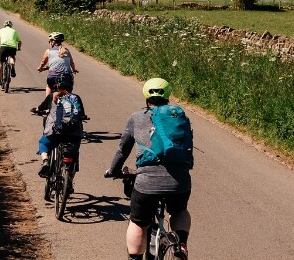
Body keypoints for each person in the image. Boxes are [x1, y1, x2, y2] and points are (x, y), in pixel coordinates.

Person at [105, 78, 193, 260]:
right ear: (168, 96)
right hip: (179, 181)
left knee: (138, 222)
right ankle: (181, 243)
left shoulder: (136, 118)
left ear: (146, 97)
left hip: (147, 183)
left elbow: (123, 149)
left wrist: (113, 170)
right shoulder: (181, 118)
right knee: (179, 211)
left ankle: (135, 258)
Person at [32, 76, 86, 179]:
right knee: (73, 155)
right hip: (74, 134)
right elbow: (81, 114)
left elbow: (41, 107)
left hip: (55, 132)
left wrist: (37, 110)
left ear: (57, 85)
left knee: (43, 143)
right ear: (71, 85)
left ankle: (45, 161)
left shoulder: (52, 96)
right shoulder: (76, 98)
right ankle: (69, 181)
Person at [35, 31, 78, 110]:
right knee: (68, 90)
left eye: (49, 41)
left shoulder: (49, 51)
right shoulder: (67, 51)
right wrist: (74, 70)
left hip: (53, 77)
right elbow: (72, 63)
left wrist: (40, 68)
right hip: (67, 77)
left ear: (52, 42)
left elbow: (43, 62)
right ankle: (70, 106)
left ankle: (47, 105)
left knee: (49, 86)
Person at [0, 20, 21, 85]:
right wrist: (19, 48)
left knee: (0, 63)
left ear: (4, 25)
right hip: (12, 47)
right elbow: (19, 41)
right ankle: (12, 66)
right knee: (12, 57)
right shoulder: (14, 31)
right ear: (11, 25)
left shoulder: (1, 30)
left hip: (3, 47)